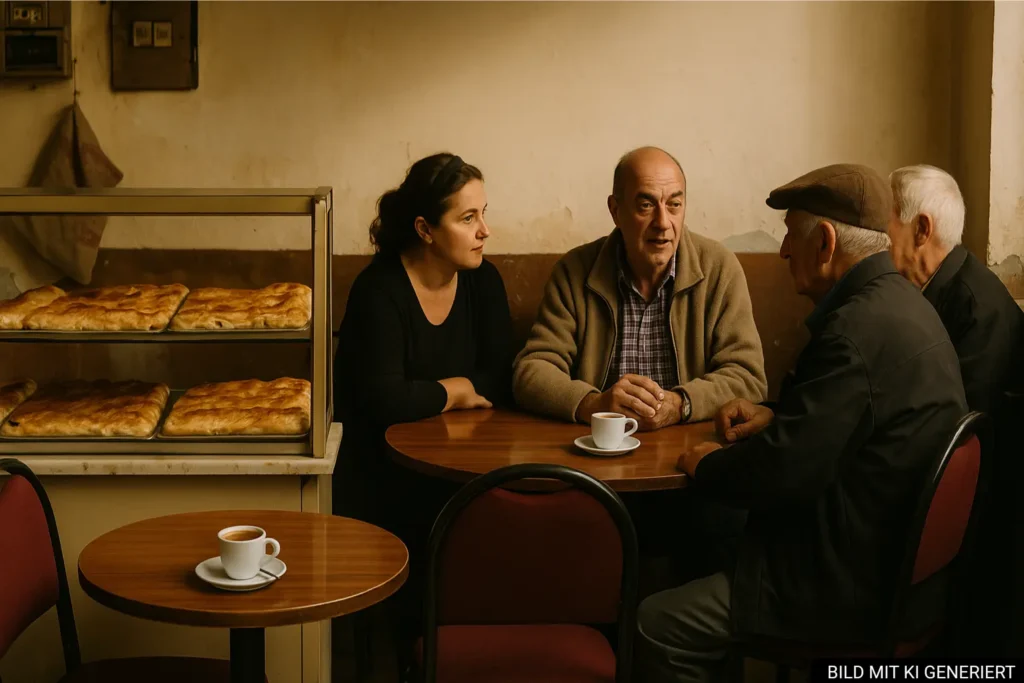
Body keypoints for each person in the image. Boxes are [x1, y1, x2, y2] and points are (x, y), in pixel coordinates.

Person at [637, 164, 968, 683]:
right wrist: (777, 414)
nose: (785, 251)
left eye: (790, 235)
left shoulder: (853, 331)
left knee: (656, 621)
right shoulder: (903, 305)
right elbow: (847, 425)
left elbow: (784, 473)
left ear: (826, 242)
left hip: (847, 586)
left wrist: (707, 465)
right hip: (904, 575)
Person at [332, 152, 514, 649]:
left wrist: (432, 396)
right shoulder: (379, 291)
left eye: (483, 214)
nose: (484, 231)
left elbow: (503, 377)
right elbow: (381, 398)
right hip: (382, 476)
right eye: (467, 217)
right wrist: (456, 389)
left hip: (464, 467)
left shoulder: (484, 281)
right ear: (425, 229)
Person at [512, 146, 766, 430]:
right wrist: (593, 405)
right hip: (598, 449)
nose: (663, 223)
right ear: (616, 210)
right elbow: (531, 371)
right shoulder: (574, 271)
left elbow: (748, 376)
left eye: (674, 205)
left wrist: (681, 404)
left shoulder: (719, 269)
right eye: (646, 205)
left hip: (691, 447)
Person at [888, 164, 1023, 415]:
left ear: (921, 230)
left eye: (886, 220)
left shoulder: (979, 309)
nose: (879, 236)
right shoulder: (925, 286)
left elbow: (959, 419)